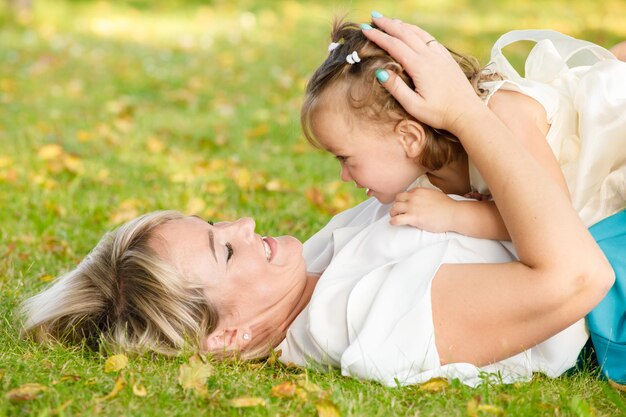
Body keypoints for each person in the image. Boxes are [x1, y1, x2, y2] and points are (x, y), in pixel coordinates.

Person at [19, 15, 619, 387]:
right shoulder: (369, 327)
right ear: (224, 338)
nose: (245, 222)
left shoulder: (315, 266)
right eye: (225, 250)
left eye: (213, 223)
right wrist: (471, 110)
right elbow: (578, 277)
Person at [301, 18, 626, 241]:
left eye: (345, 158)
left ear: (410, 138)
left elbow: (549, 212)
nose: (343, 176)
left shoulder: (503, 117)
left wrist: (457, 215)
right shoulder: (423, 172)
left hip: (611, 129)